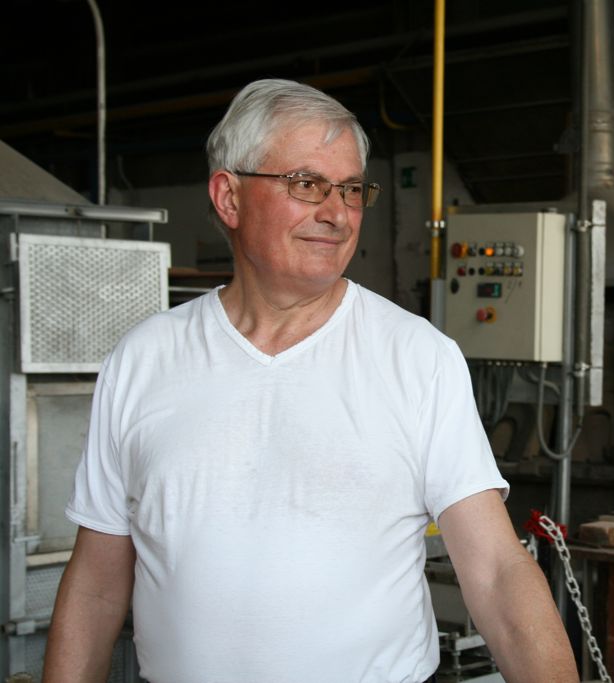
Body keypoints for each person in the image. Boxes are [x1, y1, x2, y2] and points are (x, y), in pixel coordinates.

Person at [43, 78, 577, 683]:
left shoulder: (417, 357)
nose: (336, 213)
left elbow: (497, 572)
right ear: (229, 197)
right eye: (306, 184)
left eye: (351, 190)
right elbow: (94, 588)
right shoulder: (143, 360)